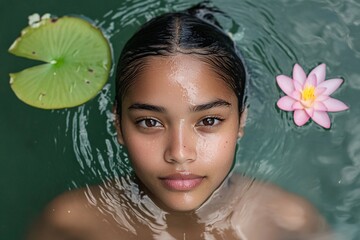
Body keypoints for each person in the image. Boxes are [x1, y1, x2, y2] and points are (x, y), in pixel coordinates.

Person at [28, 3, 332, 240]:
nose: (180, 152)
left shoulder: (288, 223)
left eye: (209, 120)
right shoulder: (70, 223)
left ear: (241, 121)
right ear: (118, 124)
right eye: (149, 122)